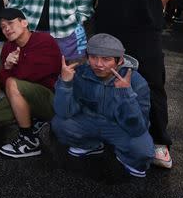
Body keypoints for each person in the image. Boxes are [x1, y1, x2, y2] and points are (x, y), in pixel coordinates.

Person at [94, 0, 177, 169]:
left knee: (152, 83)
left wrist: (149, 11)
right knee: (108, 82)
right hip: (109, 30)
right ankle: (112, 135)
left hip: (144, 30)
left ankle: (159, 142)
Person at [51, 34, 155, 178]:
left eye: (106, 59)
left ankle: (126, 157)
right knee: (59, 124)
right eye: (93, 57)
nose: (98, 64)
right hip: (90, 121)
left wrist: (125, 94)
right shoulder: (79, 73)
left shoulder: (137, 82)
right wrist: (65, 83)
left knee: (143, 151)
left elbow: (137, 128)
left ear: (120, 61)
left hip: (120, 127)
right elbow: (63, 112)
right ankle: (89, 144)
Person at [0, 8, 62, 158]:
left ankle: (28, 140)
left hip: (52, 98)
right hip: (23, 93)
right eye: (3, 27)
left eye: (10, 23)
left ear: (24, 23)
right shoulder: (9, 47)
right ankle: (34, 119)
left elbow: (29, 76)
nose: (7, 29)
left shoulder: (44, 41)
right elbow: (3, 83)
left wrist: (11, 68)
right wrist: (8, 66)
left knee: (13, 83)